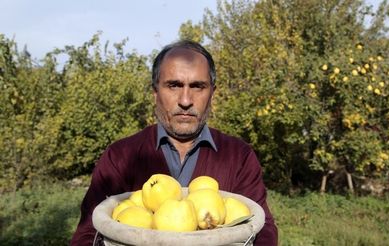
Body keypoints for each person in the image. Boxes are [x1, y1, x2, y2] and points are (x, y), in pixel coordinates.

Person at [71, 40, 278, 245]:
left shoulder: (238, 156)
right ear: (155, 92)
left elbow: (262, 230)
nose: (186, 101)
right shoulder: (120, 157)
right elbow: (89, 233)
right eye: (174, 85)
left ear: (212, 93)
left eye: (198, 86)